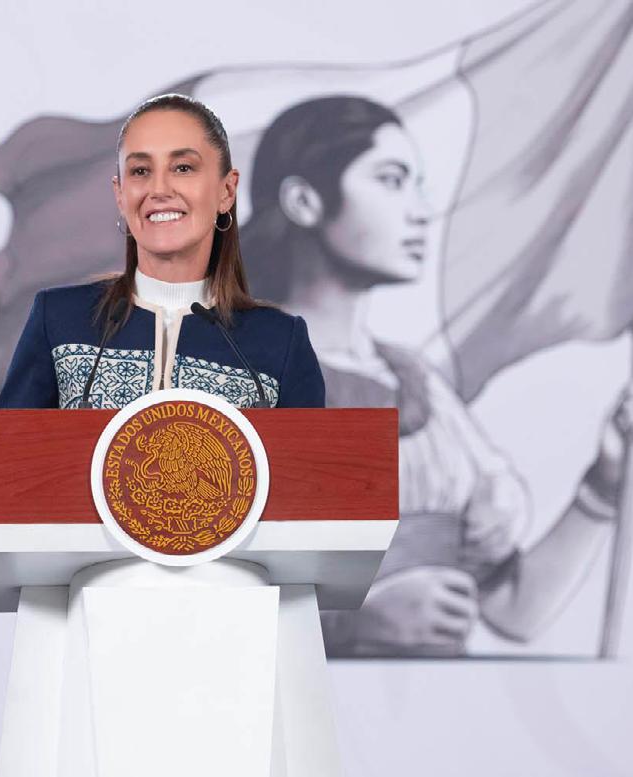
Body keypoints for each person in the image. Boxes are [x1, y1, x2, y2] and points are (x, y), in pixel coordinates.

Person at [242, 95, 633, 656]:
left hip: (435, 703)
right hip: (305, 703)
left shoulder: (418, 384)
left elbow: (514, 610)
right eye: (391, 180)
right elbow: (177, 610)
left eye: (418, 185)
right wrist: (351, 624)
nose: (422, 211)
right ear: (305, 201)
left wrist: (604, 483)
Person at [0, 93, 325, 411]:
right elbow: (3, 447)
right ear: (120, 195)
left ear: (226, 191)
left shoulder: (280, 341)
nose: (159, 189)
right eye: (140, 171)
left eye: (183, 168)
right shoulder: (59, 320)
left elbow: (311, 452)